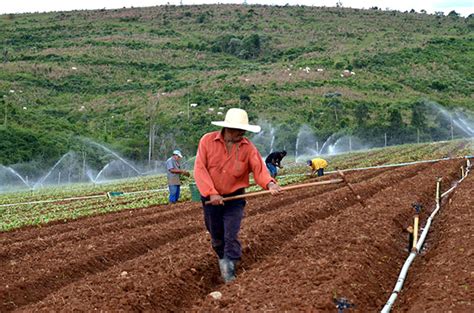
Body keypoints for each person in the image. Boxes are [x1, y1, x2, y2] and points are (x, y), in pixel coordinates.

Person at [194, 108, 282, 283]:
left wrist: (270, 183)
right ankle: (223, 261)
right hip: (211, 200)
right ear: (227, 128)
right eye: (238, 130)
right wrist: (212, 193)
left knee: (231, 234)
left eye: (243, 130)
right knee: (217, 236)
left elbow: (259, 169)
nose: (242, 133)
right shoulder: (207, 141)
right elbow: (200, 169)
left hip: (235, 198)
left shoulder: (248, 147)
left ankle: (229, 273)